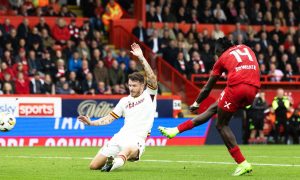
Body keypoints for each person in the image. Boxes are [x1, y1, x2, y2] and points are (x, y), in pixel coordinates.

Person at [159, 37, 261, 176]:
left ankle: (242, 163)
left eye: (216, 52)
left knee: (221, 125)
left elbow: (208, 87)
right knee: (214, 108)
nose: (216, 55)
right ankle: (175, 130)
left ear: (219, 50)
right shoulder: (246, 48)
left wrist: (196, 103)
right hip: (254, 89)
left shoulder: (223, 57)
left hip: (236, 87)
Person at [77, 43, 157, 172]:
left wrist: (141, 57)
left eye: (134, 86)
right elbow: (109, 119)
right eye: (130, 85)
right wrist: (91, 123)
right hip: (120, 136)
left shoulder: (149, 95)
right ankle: (113, 161)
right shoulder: (124, 101)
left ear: (142, 86)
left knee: (127, 150)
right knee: (93, 166)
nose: (131, 88)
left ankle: (112, 164)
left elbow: (152, 77)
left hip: (137, 139)